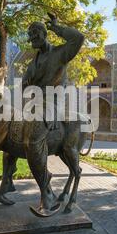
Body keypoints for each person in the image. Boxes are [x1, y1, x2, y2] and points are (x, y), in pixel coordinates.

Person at [21, 13, 84, 214]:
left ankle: (46, 192)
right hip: (34, 105)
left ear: (43, 33)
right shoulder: (33, 64)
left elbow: (78, 38)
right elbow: (24, 85)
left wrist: (57, 27)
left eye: (34, 34)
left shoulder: (61, 53)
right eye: (29, 36)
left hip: (52, 103)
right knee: (8, 132)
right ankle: (6, 182)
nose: (31, 39)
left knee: (34, 138)